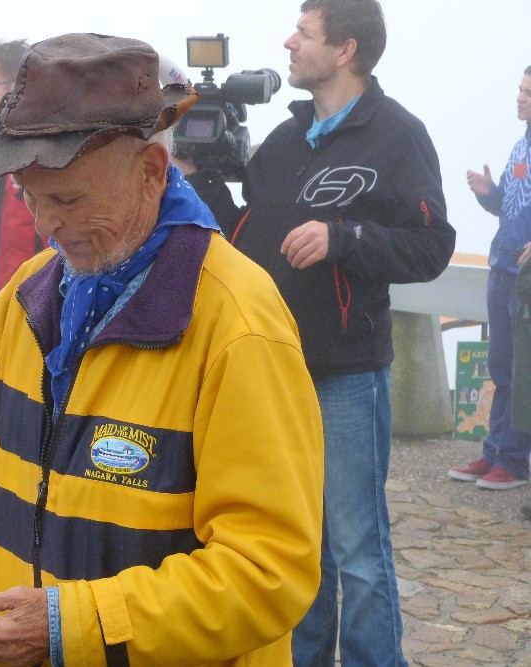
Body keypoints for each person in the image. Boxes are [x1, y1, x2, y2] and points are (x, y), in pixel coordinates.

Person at [0, 33, 325, 666]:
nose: (45, 225)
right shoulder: (22, 302)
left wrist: (70, 625)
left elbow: (268, 570)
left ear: (151, 173)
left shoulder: (238, 327)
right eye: (29, 196)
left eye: (68, 199)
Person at [213, 1, 456, 664]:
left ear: (346, 50)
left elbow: (432, 245)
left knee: (358, 550)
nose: (288, 42)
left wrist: (343, 238)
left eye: (305, 32)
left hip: (348, 374)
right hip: (278, 370)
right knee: (302, 544)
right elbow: (245, 236)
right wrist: (195, 181)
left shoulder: (398, 135)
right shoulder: (285, 140)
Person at [448, 65, 531, 492]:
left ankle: (514, 462)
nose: (520, 97)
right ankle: (495, 452)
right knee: (501, 367)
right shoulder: (520, 147)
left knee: (521, 371)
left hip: (526, 278)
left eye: (528, 92)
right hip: (502, 268)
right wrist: (489, 194)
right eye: (520, 89)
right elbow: (509, 208)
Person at [0, 39, 45, 308]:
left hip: (41, 316)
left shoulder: (47, 151)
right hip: (10, 314)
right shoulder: (7, 153)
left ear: (16, 85)